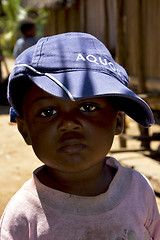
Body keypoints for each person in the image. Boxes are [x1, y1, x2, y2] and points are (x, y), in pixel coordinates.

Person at [1, 32, 160, 239]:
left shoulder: (138, 191)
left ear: (118, 121)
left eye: (88, 107)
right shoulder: (23, 215)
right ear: (25, 130)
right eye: (48, 112)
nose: (69, 122)